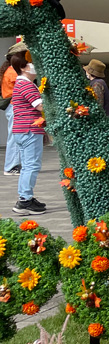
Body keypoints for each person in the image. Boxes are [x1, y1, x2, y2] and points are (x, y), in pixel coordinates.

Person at [9, 54, 46, 214]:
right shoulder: (27, 86)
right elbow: (41, 107)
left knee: (27, 166)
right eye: (32, 63)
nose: (35, 66)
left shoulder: (20, 84)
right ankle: (25, 200)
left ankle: (26, 197)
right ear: (23, 68)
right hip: (30, 129)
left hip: (21, 129)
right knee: (32, 165)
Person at [2, 41, 30, 176]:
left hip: (13, 106)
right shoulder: (13, 71)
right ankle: (11, 166)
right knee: (14, 136)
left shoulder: (10, 70)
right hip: (15, 106)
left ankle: (14, 164)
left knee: (16, 135)